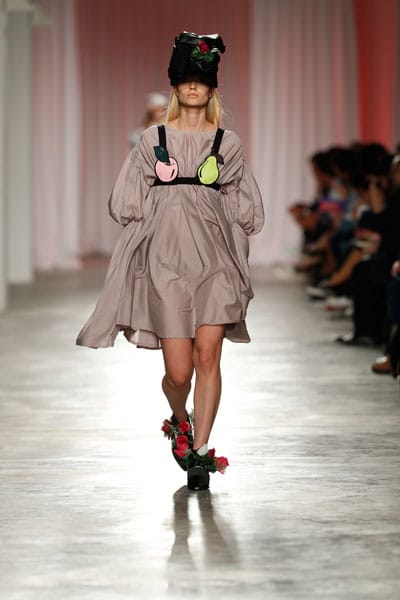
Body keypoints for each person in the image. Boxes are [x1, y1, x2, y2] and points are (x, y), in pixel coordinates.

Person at [76, 32, 264, 491]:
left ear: (212, 87)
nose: (193, 85)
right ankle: (180, 418)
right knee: (178, 373)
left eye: (201, 78)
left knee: (208, 356)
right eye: (185, 78)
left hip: (216, 262)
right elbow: (125, 201)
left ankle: (200, 451)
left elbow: (245, 207)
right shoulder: (152, 139)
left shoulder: (227, 142)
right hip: (165, 263)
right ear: (176, 86)